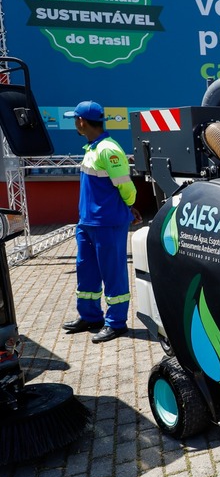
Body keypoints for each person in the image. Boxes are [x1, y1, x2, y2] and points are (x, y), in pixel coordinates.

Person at [61, 101, 141, 343]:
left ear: (82, 121)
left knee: (113, 273)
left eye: (74, 119)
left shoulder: (108, 150)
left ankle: (116, 323)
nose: (74, 123)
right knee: (87, 271)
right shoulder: (92, 148)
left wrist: (129, 206)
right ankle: (90, 316)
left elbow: (126, 187)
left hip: (107, 224)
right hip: (88, 223)